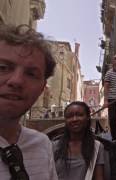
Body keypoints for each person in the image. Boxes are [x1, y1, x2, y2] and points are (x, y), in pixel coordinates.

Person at [0, 24, 58, 180]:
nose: (17, 81)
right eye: (3, 67)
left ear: (42, 89)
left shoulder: (42, 144)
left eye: (31, 74)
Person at [53, 101, 105, 180]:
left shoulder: (96, 147)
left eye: (79, 115)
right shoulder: (54, 146)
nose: (74, 119)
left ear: (87, 117)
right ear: (65, 120)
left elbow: (99, 177)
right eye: (70, 116)